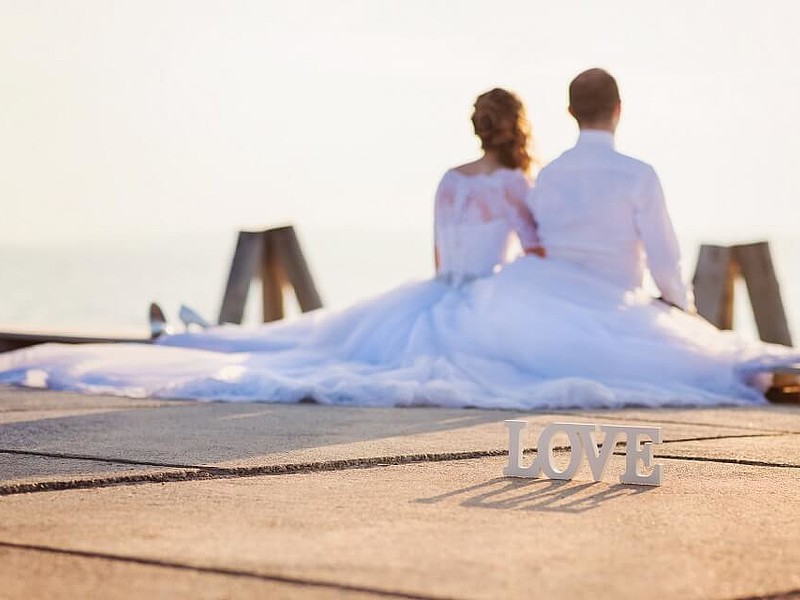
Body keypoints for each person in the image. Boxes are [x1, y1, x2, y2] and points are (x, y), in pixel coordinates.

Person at [0, 88, 550, 407]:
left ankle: (191, 338)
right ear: (515, 129)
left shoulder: (449, 179)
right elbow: (535, 252)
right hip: (479, 297)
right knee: (316, 357)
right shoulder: (513, 185)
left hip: (431, 295)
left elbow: (438, 257)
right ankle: (191, 338)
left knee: (305, 347)